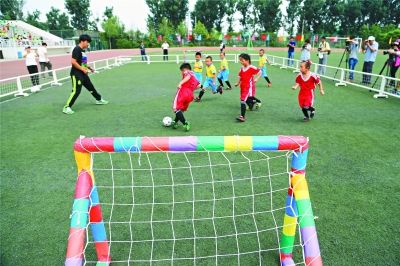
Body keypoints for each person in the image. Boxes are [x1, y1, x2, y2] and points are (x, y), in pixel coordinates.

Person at [63, 34, 108, 115]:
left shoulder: (82, 51)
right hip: (76, 74)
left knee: (91, 87)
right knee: (76, 91)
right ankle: (67, 107)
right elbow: (73, 62)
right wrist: (82, 69)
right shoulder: (77, 49)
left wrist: (88, 67)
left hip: (83, 73)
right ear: (82, 41)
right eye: (87, 42)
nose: (88, 44)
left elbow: (82, 63)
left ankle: (98, 99)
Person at [171, 63, 200, 131]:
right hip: (190, 94)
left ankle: (185, 123)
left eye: (182, 70)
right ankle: (175, 122)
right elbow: (198, 86)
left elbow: (188, 76)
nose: (182, 72)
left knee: (176, 108)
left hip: (183, 92)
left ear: (185, 69)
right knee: (181, 109)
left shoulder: (188, 72)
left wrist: (180, 83)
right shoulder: (194, 76)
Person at [234, 53, 262, 122]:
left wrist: (256, 79)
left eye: (242, 60)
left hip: (248, 87)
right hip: (242, 87)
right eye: (240, 60)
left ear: (247, 60)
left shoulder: (251, 67)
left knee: (243, 100)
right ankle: (254, 102)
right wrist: (237, 83)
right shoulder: (241, 68)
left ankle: (242, 117)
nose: (241, 62)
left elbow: (260, 72)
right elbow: (240, 76)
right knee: (246, 99)